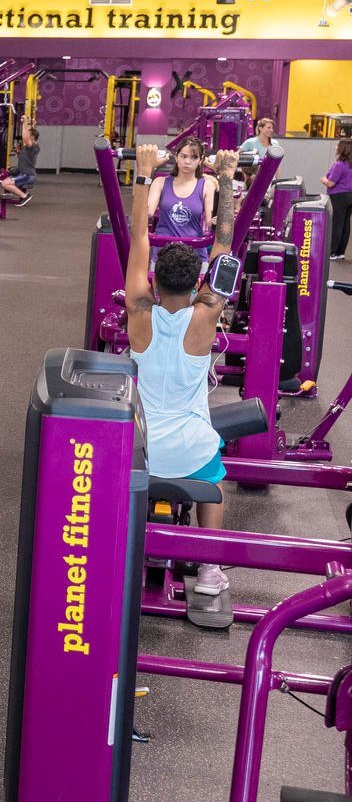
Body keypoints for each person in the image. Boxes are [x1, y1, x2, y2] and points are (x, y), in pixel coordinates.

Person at [125, 143, 239, 595]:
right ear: (196, 285)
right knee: (217, 480)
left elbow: (139, 237)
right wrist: (225, 177)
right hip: (191, 451)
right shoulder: (207, 313)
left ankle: (120, 547)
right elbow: (224, 243)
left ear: (154, 282)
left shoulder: (138, 312)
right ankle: (209, 569)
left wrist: (143, 172)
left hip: (142, 448)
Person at [148, 138, 214, 257]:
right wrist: (146, 170)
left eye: (194, 157)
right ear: (176, 157)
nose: (187, 161)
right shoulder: (160, 182)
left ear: (200, 160)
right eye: (183, 156)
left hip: (193, 251)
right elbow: (148, 213)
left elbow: (210, 222)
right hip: (163, 251)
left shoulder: (207, 185)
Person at [322, 137, 352, 260]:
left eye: (338, 145)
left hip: (339, 196)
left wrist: (324, 179)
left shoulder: (340, 164)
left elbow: (330, 183)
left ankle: (332, 252)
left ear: (342, 149)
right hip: (350, 196)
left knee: (337, 224)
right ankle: (341, 252)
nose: (336, 147)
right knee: (346, 223)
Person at [0, 120, 39, 205]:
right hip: (22, 173)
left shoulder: (34, 146)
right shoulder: (26, 148)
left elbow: (25, 138)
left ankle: (25, 196)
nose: (26, 136)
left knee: (5, 183)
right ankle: (18, 194)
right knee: (5, 181)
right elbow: (24, 158)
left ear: (32, 137)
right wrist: (18, 152)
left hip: (28, 175)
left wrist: (25, 122)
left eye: (28, 134)